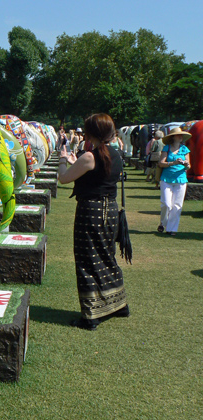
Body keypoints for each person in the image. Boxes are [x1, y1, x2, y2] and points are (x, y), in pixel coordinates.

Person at [58, 113, 129, 330]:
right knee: (107, 256)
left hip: (91, 211)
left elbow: (64, 178)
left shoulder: (89, 156)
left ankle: (90, 316)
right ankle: (119, 305)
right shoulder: (116, 153)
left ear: (90, 133)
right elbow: (97, 174)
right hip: (110, 212)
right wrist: (75, 162)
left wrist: (63, 159)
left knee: (87, 260)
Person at [157, 127, 191, 236]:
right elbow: (161, 163)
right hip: (166, 178)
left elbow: (189, 166)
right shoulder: (166, 148)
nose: (180, 136)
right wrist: (173, 163)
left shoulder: (185, 149)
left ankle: (172, 229)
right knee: (166, 204)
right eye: (178, 135)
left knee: (177, 205)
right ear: (173, 137)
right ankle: (163, 222)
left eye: (181, 135)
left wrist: (186, 164)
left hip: (181, 179)